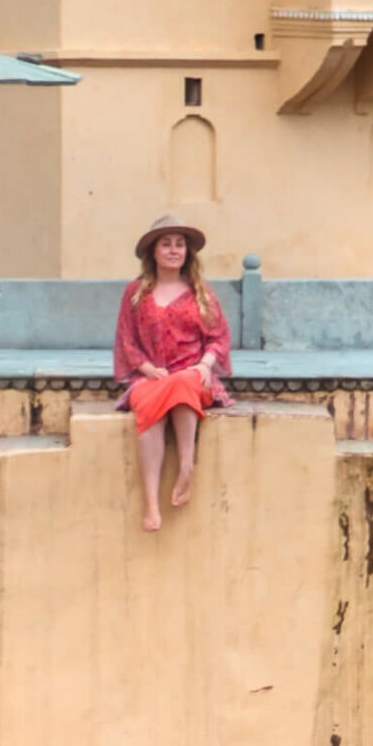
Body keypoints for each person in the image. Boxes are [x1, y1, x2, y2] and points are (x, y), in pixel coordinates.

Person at [114, 214, 235, 531]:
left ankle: (185, 468)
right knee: (148, 403)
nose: (173, 250)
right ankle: (152, 505)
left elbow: (219, 338)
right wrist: (147, 368)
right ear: (153, 252)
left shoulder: (201, 294)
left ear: (188, 253)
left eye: (179, 244)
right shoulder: (136, 293)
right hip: (151, 377)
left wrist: (205, 365)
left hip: (193, 375)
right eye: (166, 244)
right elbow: (127, 340)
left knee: (183, 384)